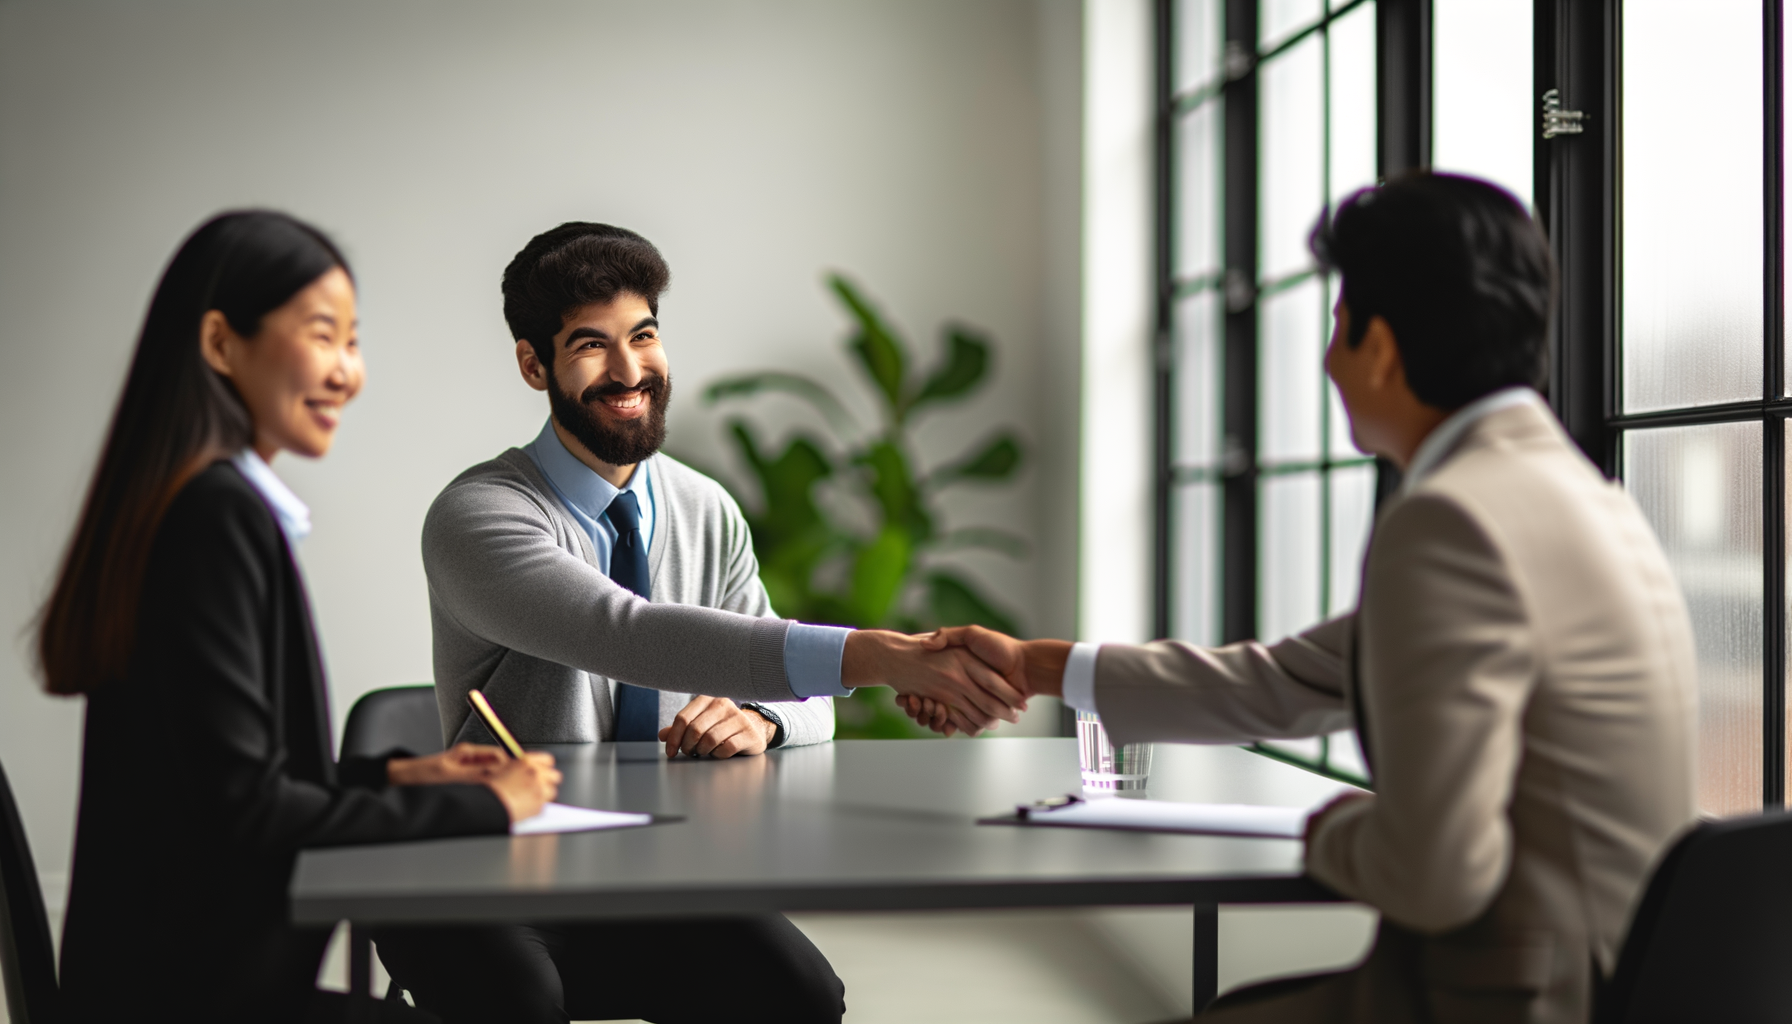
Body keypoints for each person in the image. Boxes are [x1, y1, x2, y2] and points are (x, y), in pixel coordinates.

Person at [908, 173, 1699, 1023]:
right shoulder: (1576, 498)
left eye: (1336, 329)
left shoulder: (1451, 521)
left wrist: (1332, 828)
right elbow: (1284, 680)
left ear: (1383, 349)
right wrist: (1035, 666)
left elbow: (1432, 872)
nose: (1327, 362)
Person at [373, 222, 1023, 1024]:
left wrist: (760, 718)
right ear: (533, 363)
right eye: (590, 345)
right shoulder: (479, 515)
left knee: (800, 996)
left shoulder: (703, 508)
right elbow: (627, 632)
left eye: (643, 336)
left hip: (652, 869)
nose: (628, 370)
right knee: (518, 1001)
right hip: (495, 869)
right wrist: (883, 655)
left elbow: (806, 700)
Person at [40, 211, 561, 1024]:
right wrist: (489, 806)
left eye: (353, 343)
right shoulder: (216, 518)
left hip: (168, 984)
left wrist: (398, 774)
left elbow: (223, 782)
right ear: (221, 345)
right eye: (324, 335)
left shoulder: (192, 505)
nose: (348, 372)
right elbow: (250, 810)